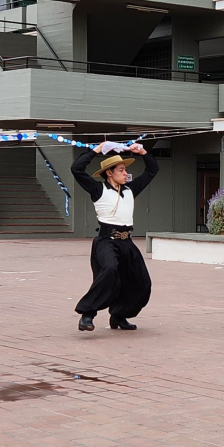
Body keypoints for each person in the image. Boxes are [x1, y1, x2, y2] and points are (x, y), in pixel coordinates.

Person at [70, 142, 158, 332]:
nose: (126, 173)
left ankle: (119, 315)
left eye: (125, 170)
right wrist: (96, 150)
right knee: (110, 271)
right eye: (121, 170)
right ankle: (88, 314)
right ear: (109, 173)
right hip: (106, 241)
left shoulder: (130, 190)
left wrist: (142, 152)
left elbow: (152, 170)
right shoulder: (98, 190)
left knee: (141, 282)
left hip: (127, 242)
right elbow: (76, 169)